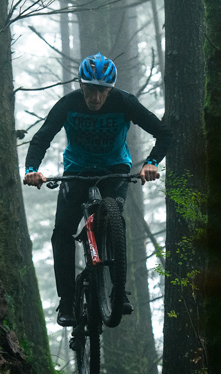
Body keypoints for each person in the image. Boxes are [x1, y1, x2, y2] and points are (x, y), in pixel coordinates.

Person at [22, 52, 173, 327]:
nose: (96, 97)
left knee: (115, 218)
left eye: (102, 90)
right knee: (62, 232)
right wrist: (31, 169)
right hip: (77, 171)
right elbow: (42, 138)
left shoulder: (124, 102)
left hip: (114, 169)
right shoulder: (68, 104)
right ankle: (66, 302)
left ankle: (118, 291)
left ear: (111, 89)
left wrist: (151, 163)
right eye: (91, 89)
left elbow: (163, 133)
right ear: (81, 85)